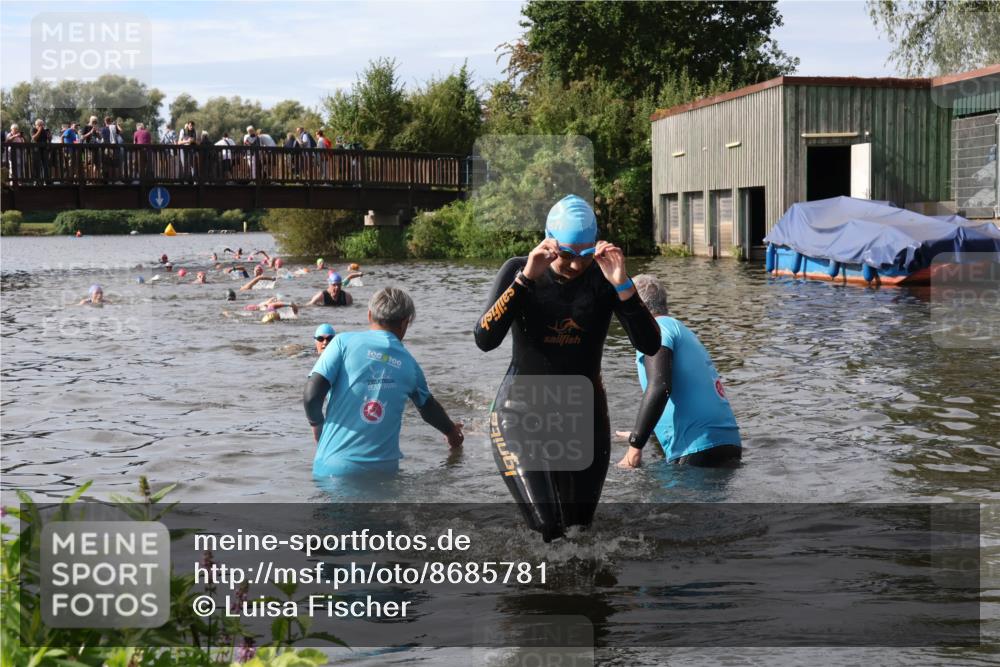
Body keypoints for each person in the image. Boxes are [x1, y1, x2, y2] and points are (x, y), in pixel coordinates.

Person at [473, 194, 660, 541]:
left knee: (579, 532)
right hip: (520, 412)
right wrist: (526, 279)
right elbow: (484, 338)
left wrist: (623, 284)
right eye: (567, 255)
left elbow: (650, 344)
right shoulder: (519, 270)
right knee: (547, 527)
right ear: (549, 244)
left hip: (582, 416)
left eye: (585, 255)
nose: (575, 265)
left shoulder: (606, 278)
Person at [304, 287, 463, 476]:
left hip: (332, 468)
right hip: (383, 473)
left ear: (369, 315)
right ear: (405, 323)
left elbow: (312, 396)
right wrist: (452, 434)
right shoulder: (410, 364)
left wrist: (317, 426)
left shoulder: (341, 343)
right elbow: (428, 408)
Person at [616, 275, 742, 469]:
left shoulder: (656, 330)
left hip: (697, 449)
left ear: (636, 305)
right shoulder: (680, 329)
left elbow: (660, 386)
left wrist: (635, 445)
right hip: (727, 443)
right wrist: (642, 432)